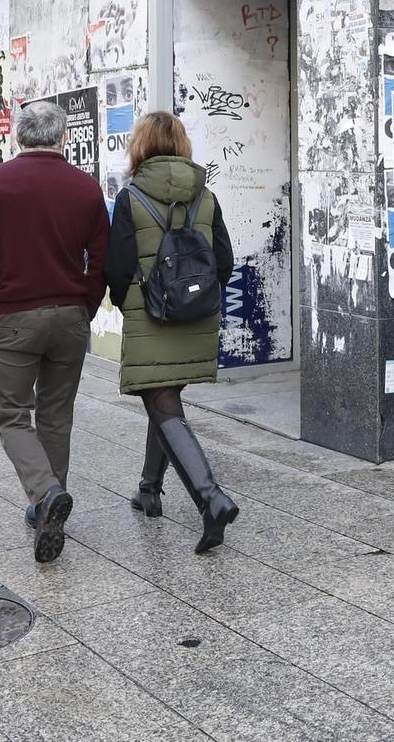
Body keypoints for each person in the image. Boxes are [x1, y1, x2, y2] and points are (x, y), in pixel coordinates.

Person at [0, 100, 109, 564]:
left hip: (13, 316)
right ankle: (50, 503)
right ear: (63, 137)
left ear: (18, 136)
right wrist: (85, 307)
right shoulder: (86, 188)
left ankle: (45, 492)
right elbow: (100, 261)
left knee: (11, 413)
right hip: (69, 316)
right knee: (56, 414)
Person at [104, 110, 239, 554]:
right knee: (163, 398)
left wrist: (133, 305)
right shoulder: (207, 196)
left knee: (160, 401)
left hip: (153, 316)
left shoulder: (131, 198)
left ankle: (210, 497)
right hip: (196, 316)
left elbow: (119, 267)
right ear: (181, 145)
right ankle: (148, 489)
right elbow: (224, 262)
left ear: (141, 146)